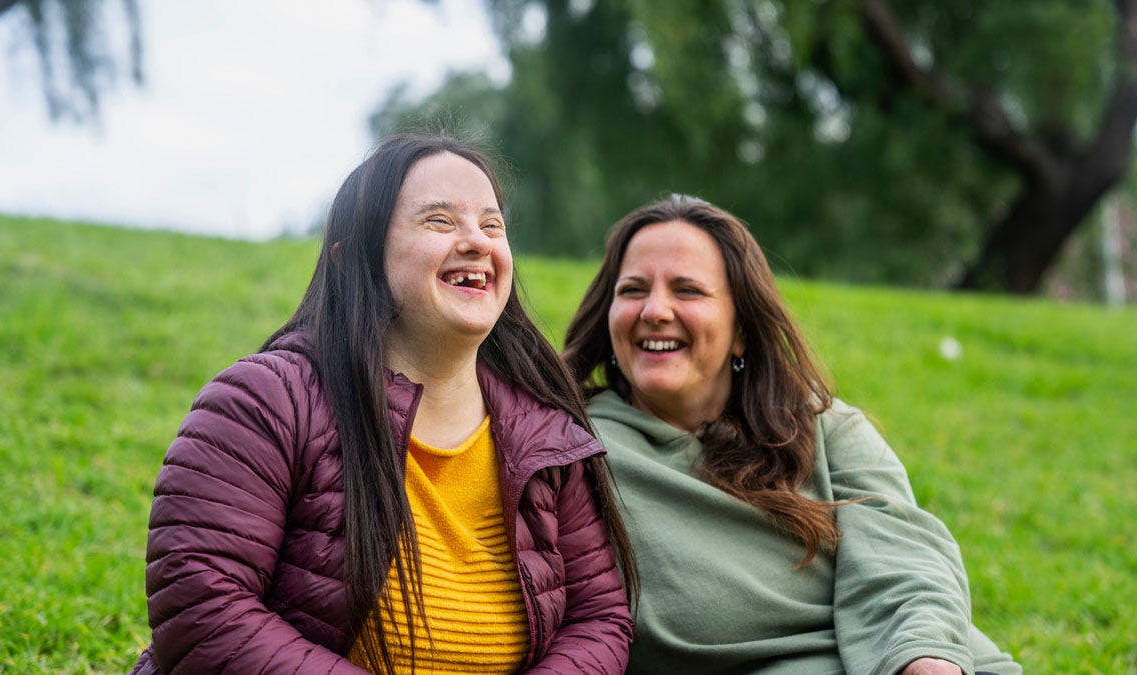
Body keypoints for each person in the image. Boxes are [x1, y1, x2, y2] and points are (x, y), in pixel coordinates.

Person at [130, 134, 637, 674]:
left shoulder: (545, 432)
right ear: (354, 259)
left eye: (492, 226)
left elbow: (598, 619)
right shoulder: (266, 400)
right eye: (440, 221)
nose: (477, 242)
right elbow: (203, 609)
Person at [562, 194, 1021, 675]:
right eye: (633, 289)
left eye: (688, 291)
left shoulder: (823, 427)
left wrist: (924, 659)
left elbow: (902, 555)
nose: (655, 310)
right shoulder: (570, 446)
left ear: (741, 329)